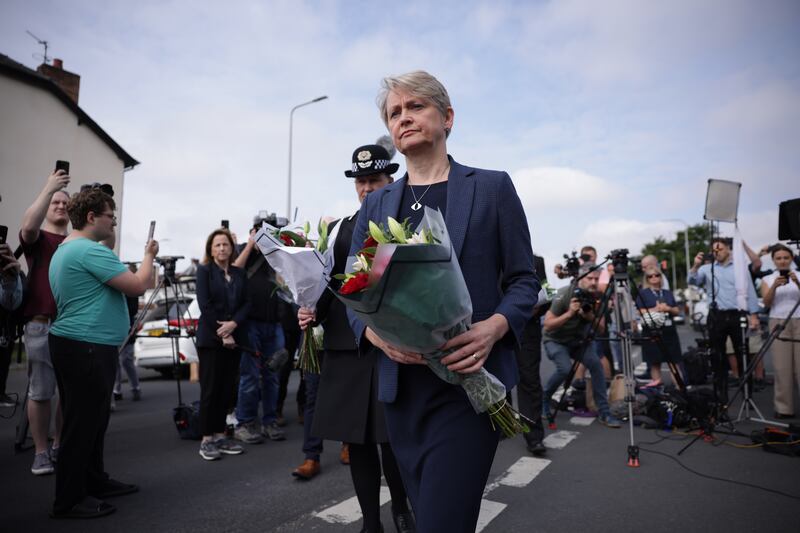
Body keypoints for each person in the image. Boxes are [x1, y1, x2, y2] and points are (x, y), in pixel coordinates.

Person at [346, 71, 539, 532]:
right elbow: (352, 291)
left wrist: (492, 328)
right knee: (425, 511)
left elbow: (523, 281)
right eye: (395, 112)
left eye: (416, 107)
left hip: (469, 385)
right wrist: (375, 334)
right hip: (401, 393)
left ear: (447, 117)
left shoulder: (491, 188)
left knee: (442, 521)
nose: (404, 118)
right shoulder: (375, 206)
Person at [298, 142, 414, 533]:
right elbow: (327, 286)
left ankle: (402, 507)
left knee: (391, 439)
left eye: (374, 180)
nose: (367, 188)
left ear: (390, 179)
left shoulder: (408, 226)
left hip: (391, 346)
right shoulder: (337, 231)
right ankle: (370, 522)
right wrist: (308, 308)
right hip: (345, 348)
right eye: (361, 181)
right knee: (358, 441)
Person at [48, 188, 158, 518]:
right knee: (82, 425)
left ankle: (93, 481)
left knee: (91, 422)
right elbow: (139, 284)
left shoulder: (70, 248)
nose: (114, 222)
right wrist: (149, 254)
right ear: (92, 217)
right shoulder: (88, 251)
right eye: (111, 216)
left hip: (80, 344)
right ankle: (68, 499)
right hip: (87, 345)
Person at [19, 169, 70, 476]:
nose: (60, 205)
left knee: (67, 391)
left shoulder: (76, 242)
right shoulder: (38, 238)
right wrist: (49, 189)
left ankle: (59, 444)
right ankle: (40, 452)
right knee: (41, 391)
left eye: (66, 202)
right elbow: (27, 226)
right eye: (55, 202)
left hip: (72, 326)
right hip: (41, 324)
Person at [542, 263, 622, 427]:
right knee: (565, 369)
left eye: (596, 278)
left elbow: (601, 330)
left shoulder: (598, 298)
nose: (593, 282)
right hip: (555, 340)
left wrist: (590, 316)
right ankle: (544, 400)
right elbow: (548, 325)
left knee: (596, 366)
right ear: (580, 278)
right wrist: (570, 313)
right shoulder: (565, 293)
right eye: (589, 278)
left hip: (578, 341)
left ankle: (604, 412)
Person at [195, 228, 251, 460]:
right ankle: (206, 438)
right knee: (211, 389)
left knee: (227, 389)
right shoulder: (204, 271)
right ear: (210, 248)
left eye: (225, 244)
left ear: (232, 248)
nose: (221, 249)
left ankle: (220, 434)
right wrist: (223, 333)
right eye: (217, 245)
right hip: (211, 339)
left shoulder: (239, 273)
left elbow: (246, 303)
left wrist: (234, 325)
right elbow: (205, 305)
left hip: (234, 338)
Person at [231, 217, 287, 444]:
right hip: (250, 323)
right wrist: (251, 244)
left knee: (273, 375)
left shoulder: (275, 256)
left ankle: (269, 421)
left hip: (273, 323)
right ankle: (244, 422)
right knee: (250, 376)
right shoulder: (246, 252)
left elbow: (286, 279)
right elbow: (235, 270)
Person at [689, 237, 760, 403]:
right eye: (714, 250)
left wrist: (754, 314)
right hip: (716, 315)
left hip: (737, 314)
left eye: (720, 249)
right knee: (717, 356)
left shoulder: (740, 269)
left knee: (742, 353)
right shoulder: (707, 269)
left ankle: (747, 394)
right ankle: (721, 396)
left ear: (728, 249)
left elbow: (749, 290)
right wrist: (696, 265)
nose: (717, 253)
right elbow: (692, 280)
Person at [514, 254, 549, 456]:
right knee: (497, 377)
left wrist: (540, 306)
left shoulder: (537, 261)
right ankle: (500, 427)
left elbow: (549, 290)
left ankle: (534, 436)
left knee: (529, 380)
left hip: (528, 327)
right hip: (493, 324)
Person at [760, 244, 800, 419]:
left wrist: (797, 282)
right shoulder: (768, 279)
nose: (783, 261)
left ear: (791, 258)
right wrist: (775, 286)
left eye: (786, 257)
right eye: (779, 258)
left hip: (799, 320)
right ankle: (784, 408)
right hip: (778, 320)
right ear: (774, 260)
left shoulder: (799, 275)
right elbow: (767, 303)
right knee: (782, 367)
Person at [636, 266, 682, 387]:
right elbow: (639, 311)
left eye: (657, 275)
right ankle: (657, 390)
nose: (654, 278)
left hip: (669, 331)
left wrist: (668, 309)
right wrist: (655, 309)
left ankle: (679, 389)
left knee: (674, 362)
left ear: (661, 277)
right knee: (654, 362)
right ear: (647, 279)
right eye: (650, 276)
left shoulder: (667, 293)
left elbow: (677, 310)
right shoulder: (643, 294)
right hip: (652, 331)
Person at [113, 263, 142, 403]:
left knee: (126, 360)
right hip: (114, 328)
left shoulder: (131, 291)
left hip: (128, 328)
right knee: (114, 361)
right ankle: (116, 390)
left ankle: (135, 387)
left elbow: (133, 310)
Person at [0, 242, 24, 407]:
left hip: (5, 328)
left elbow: (12, 302)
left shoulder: (13, 271)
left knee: (3, 360)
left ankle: (1, 393)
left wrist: (10, 278)